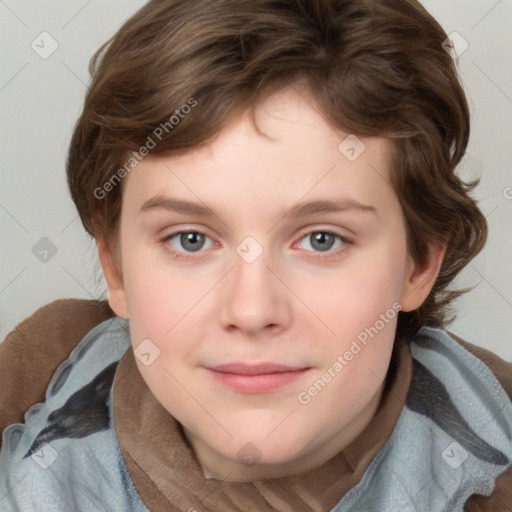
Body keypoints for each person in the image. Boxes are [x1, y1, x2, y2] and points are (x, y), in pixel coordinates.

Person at [1, 0, 511, 510]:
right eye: (191, 239)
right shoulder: (35, 388)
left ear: (419, 263)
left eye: (321, 240)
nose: (251, 310)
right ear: (115, 267)